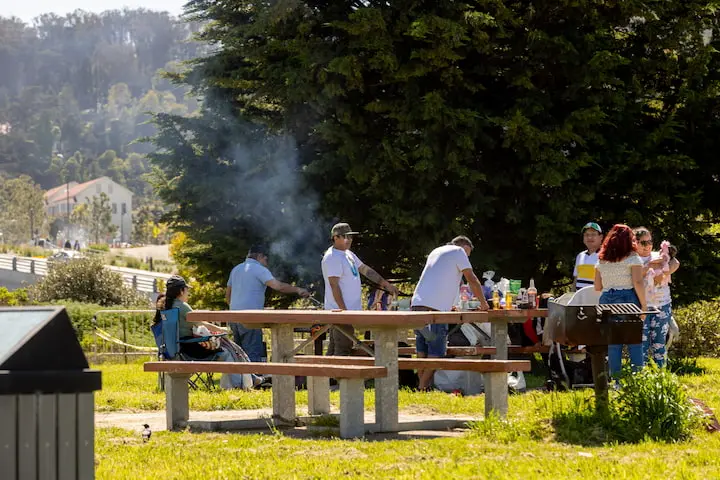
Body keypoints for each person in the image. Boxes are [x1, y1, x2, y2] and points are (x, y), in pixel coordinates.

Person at [411, 236, 490, 391]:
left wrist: (451, 304)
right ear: (463, 246)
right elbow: (472, 280)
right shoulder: (458, 251)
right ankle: (422, 386)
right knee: (437, 350)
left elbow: (440, 279)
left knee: (423, 348)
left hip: (417, 306)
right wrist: (483, 303)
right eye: (467, 254)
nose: (467, 258)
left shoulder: (437, 251)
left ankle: (422, 386)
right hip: (435, 311)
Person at [322, 222, 399, 356]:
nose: (350, 240)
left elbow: (365, 270)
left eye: (351, 237)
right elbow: (334, 285)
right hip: (340, 312)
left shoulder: (348, 254)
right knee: (342, 349)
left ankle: (329, 377)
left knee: (337, 348)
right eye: (346, 236)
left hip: (346, 312)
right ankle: (335, 376)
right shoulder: (332, 257)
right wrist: (344, 312)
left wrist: (386, 284)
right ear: (335, 237)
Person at [226, 245, 311, 362]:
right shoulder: (259, 269)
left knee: (239, 354)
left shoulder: (236, 269)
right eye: (266, 259)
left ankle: (240, 380)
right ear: (260, 256)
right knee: (252, 353)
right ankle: (253, 378)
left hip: (233, 317)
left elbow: (228, 295)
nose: (267, 262)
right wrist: (298, 290)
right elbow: (278, 286)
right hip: (250, 318)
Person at [162, 275, 247, 388]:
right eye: (187, 290)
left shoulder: (165, 307)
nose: (188, 293)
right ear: (182, 291)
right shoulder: (182, 306)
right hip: (190, 349)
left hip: (174, 349)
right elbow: (201, 323)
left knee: (230, 347)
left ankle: (248, 379)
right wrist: (221, 330)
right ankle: (237, 386)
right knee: (228, 352)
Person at [593, 224, 647, 378]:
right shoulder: (633, 258)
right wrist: (643, 305)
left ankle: (616, 381)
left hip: (606, 300)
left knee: (613, 343)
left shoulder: (602, 260)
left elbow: (597, 286)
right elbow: (637, 282)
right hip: (627, 299)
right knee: (634, 341)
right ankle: (638, 379)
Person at [633, 227, 680, 368]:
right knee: (641, 343)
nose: (647, 246)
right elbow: (635, 278)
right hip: (641, 307)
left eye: (650, 242)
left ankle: (660, 375)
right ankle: (641, 376)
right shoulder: (631, 260)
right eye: (643, 242)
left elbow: (675, 263)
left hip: (662, 305)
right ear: (634, 242)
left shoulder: (658, 255)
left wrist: (664, 273)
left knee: (659, 342)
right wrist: (648, 267)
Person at [573, 222, 603, 291]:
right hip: (579, 299)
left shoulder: (605, 256)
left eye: (593, 234)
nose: (589, 237)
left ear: (601, 237)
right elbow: (576, 279)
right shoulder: (580, 256)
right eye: (586, 235)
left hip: (597, 299)